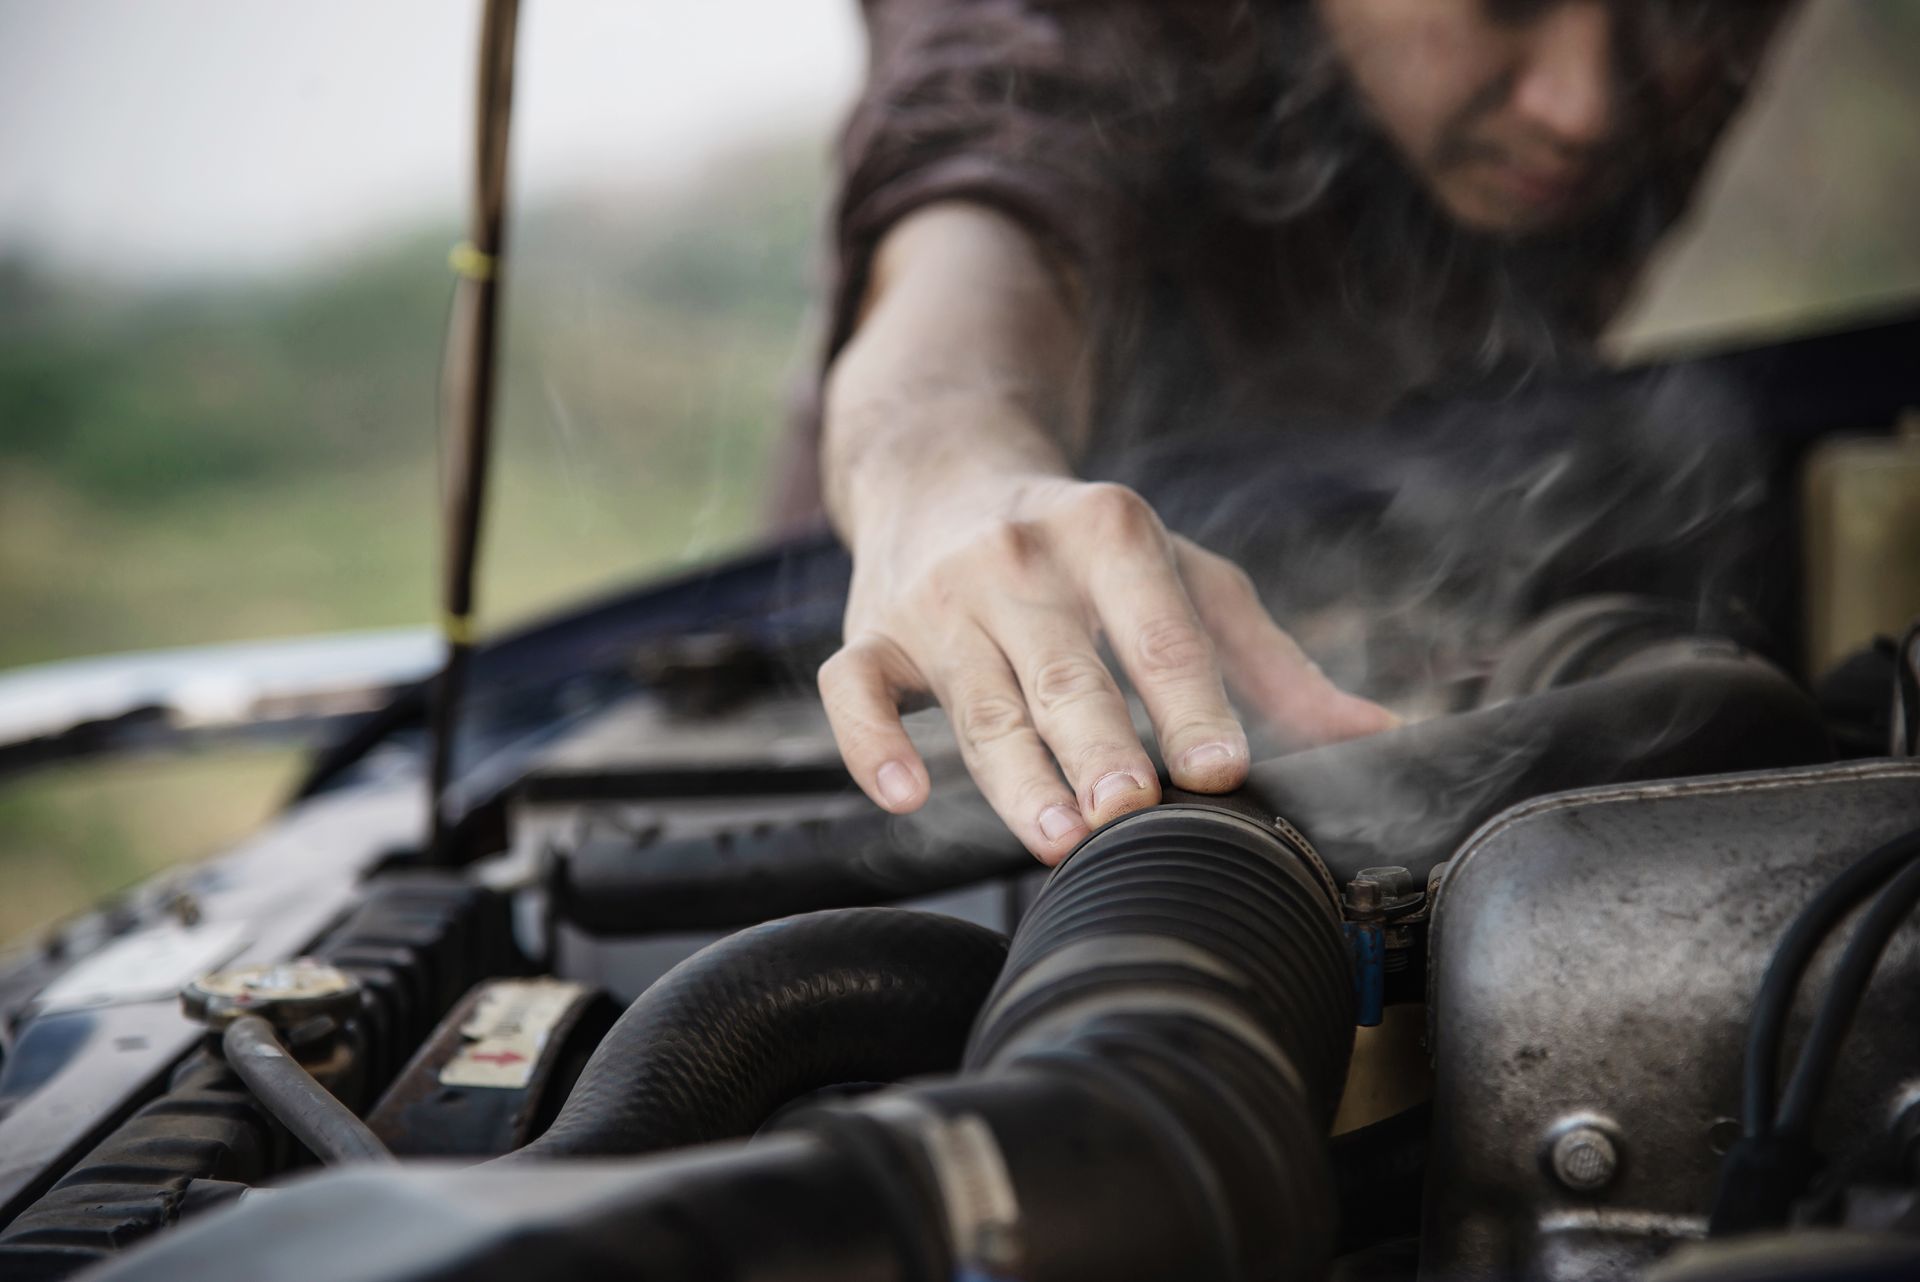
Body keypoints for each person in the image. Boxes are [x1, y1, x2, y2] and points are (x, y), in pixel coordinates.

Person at [787, 0, 1798, 863]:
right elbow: (969, 234)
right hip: (949, 624)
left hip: (1418, 556)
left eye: (1678, 5)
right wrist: (957, 481)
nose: (1585, 107)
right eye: (1507, 1)